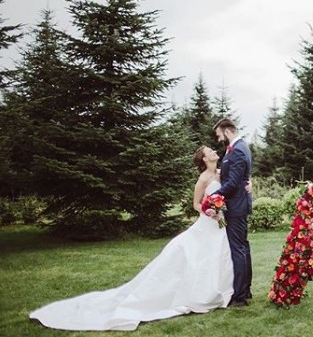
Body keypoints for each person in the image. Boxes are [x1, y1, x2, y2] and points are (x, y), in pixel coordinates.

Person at [29, 145, 239, 331]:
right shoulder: (203, 179)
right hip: (208, 222)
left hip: (219, 225)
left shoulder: (221, 173)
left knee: (217, 255)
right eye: (209, 152)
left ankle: (220, 292)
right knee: (197, 256)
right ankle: (200, 295)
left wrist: (240, 190)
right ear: (204, 159)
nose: (213, 152)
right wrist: (208, 211)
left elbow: (235, 184)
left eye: (212, 150)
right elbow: (196, 204)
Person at [213, 117, 253, 307]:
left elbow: (232, 183)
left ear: (227, 131)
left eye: (219, 134)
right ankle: (245, 290)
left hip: (236, 208)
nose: (219, 138)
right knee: (243, 248)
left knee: (238, 249)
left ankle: (240, 296)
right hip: (238, 205)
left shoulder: (237, 150)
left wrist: (212, 196)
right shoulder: (239, 148)